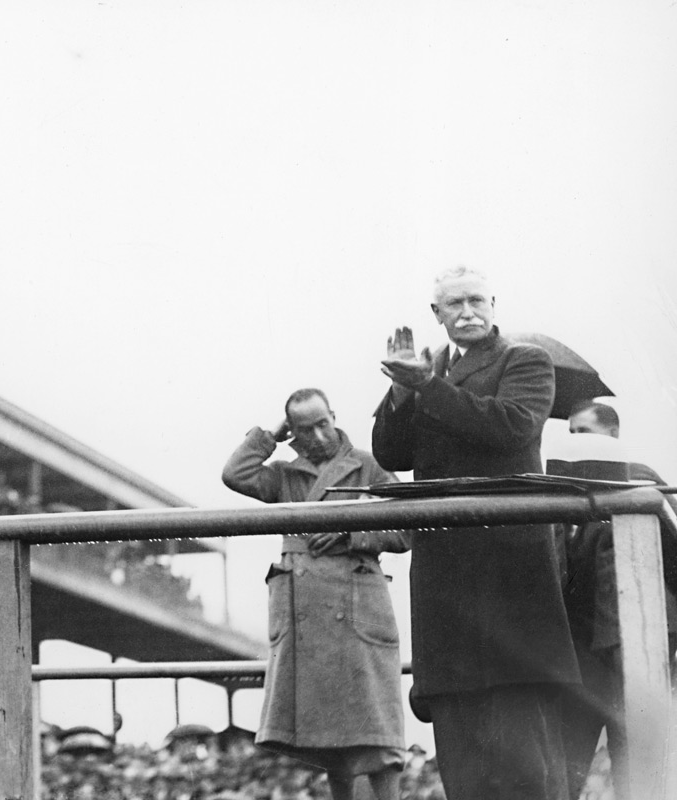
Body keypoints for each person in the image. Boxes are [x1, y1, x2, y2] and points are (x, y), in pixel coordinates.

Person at [372, 264, 580, 800]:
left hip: (508, 567)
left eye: (476, 301)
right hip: (446, 568)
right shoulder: (429, 368)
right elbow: (392, 454)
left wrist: (426, 387)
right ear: (436, 315)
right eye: (454, 304)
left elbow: (510, 425)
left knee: (526, 752)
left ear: (493, 304)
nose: (467, 312)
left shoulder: (524, 360)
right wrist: (401, 392)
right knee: (461, 746)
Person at [222, 388, 409, 800]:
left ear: (334, 416)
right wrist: (271, 435)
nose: (320, 436)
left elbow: (406, 528)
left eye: (323, 423)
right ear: (294, 433)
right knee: (331, 742)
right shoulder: (286, 476)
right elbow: (235, 474)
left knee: (379, 730)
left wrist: (351, 528)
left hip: (359, 602)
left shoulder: (368, 465)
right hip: (307, 613)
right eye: (305, 429)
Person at [560, 399, 677, 799]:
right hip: (586, 646)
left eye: (585, 432)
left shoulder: (637, 478)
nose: (576, 442)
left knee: (635, 758)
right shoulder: (570, 490)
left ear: (613, 436)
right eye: (571, 433)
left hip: (633, 643)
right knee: (568, 756)